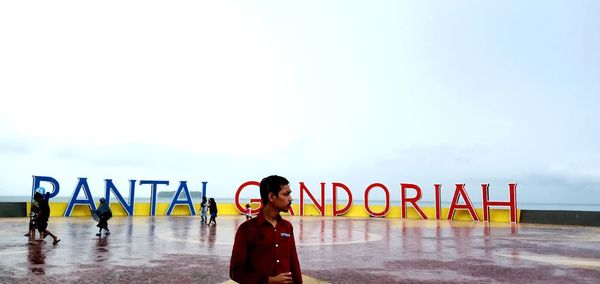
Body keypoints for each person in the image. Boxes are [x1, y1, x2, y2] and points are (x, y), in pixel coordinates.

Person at [230, 175, 302, 284]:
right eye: (286, 194)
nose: (291, 198)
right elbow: (235, 272)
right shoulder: (246, 229)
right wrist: (268, 281)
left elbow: (294, 264)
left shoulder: (287, 227)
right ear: (271, 197)